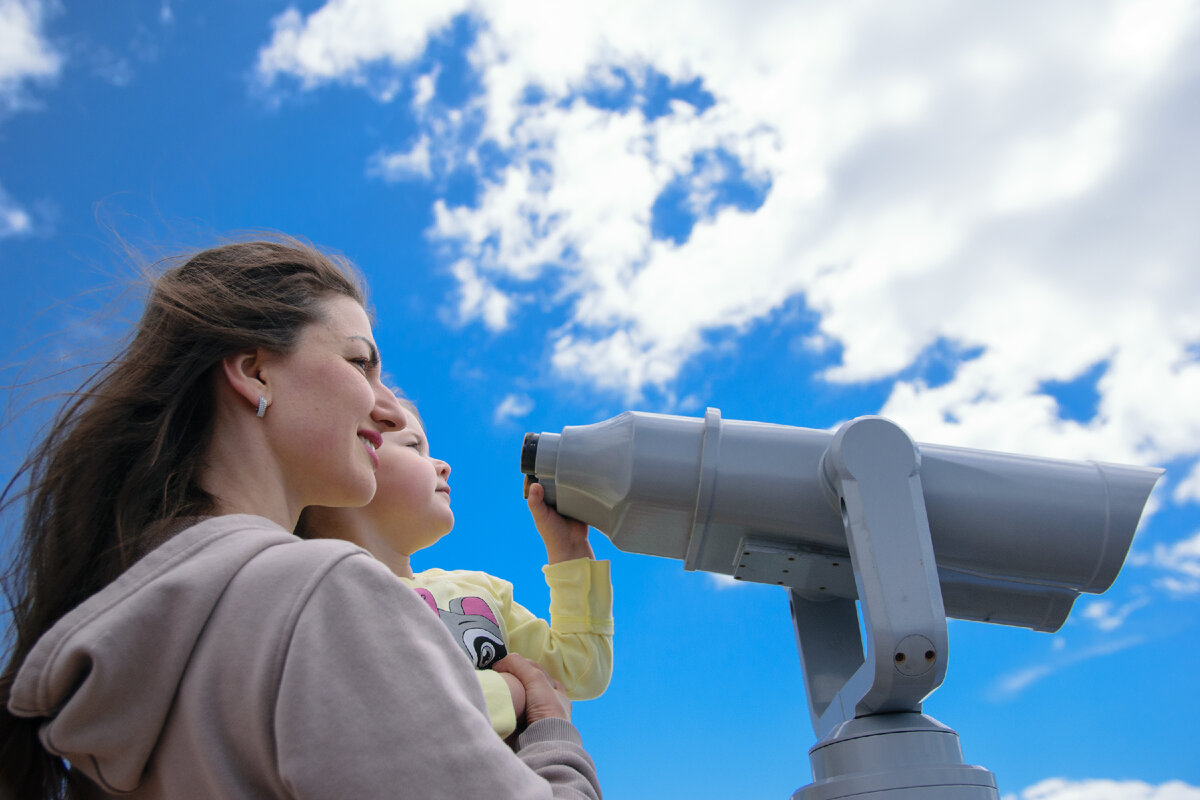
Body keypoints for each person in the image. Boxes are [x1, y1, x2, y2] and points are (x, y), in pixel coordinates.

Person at [0, 237, 601, 799]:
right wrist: (550, 733)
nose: (384, 404)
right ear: (256, 372)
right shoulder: (322, 595)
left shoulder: (137, 638)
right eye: (360, 362)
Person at [302, 398, 613, 739]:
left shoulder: (479, 590)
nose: (443, 465)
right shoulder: (324, 601)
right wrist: (516, 691)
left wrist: (569, 550)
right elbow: (386, 708)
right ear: (347, 466)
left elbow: (581, 670)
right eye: (413, 446)